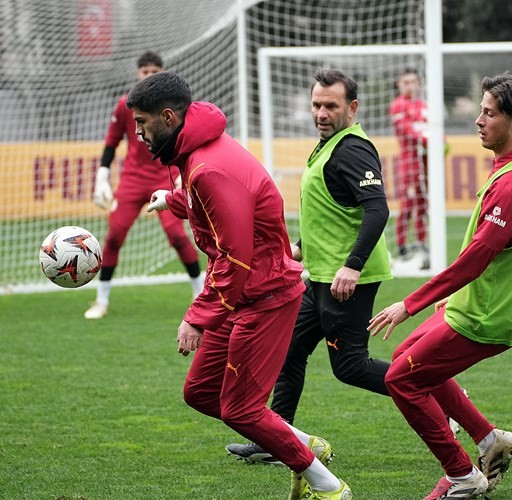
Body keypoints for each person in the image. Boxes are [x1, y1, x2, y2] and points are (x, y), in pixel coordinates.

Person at [130, 71, 352, 500]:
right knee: (200, 393)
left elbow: (234, 257)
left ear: (169, 117)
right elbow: (217, 209)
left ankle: (328, 487)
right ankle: (304, 443)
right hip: (242, 295)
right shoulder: (193, 151)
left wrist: (197, 318)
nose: (137, 132)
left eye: (142, 122)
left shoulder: (207, 167)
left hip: (265, 296)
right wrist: (172, 199)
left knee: (240, 408)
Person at [368, 72, 512, 499]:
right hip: (476, 303)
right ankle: (489, 441)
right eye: (481, 110)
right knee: (403, 361)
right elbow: (491, 255)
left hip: (489, 316)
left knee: (402, 381)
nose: (479, 120)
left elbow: (475, 259)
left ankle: (462, 474)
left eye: (489, 113)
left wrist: (408, 305)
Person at [226, 68, 393, 464]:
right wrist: (297, 250)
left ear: (352, 107)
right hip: (318, 277)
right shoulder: (328, 144)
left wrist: (352, 266)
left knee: (350, 366)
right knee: (289, 351)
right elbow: (333, 212)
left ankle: (436, 390)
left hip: (346, 281)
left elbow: (377, 208)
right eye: (316, 104)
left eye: (331, 105)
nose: (321, 112)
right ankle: (276, 441)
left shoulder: (352, 148)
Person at [85, 51, 202, 319]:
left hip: (165, 176)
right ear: (137, 73)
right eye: (144, 71)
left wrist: (182, 173)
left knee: (177, 236)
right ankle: (101, 300)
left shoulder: (171, 109)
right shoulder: (126, 105)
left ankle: (199, 292)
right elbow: (112, 142)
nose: (148, 76)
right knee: (114, 236)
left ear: (162, 72)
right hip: (132, 180)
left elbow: (186, 140)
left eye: (154, 71)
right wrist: (102, 177)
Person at [388, 68, 430, 269]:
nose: (410, 85)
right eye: (406, 82)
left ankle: (422, 243)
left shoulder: (424, 106)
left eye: (413, 81)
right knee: (408, 204)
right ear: (399, 84)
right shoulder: (398, 106)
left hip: (425, 163)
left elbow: (431, 129)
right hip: (408, 162)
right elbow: (408, 131)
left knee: (423, 203)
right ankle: (402, 245)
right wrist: (427, 138)